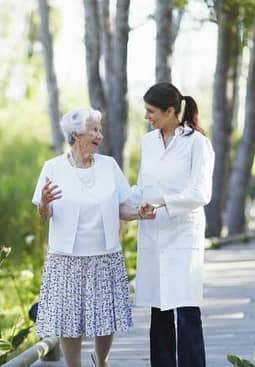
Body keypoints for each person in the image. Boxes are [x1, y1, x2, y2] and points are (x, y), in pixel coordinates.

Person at [32, 107, 152, 367]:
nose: (100, 135)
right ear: (76, 134)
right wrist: (44, 201)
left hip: (105, 253)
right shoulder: (52, 167)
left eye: (100, 129)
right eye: (94, 130)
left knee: (105, 316)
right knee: (69, 318)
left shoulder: (108, 166)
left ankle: (102, 361)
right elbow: (45, 213)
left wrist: (140, 213)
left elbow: (122, 207)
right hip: (67, 256)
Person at [133, 82, 215, 367]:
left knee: (187, 308)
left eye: (151, 111)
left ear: (171, 111)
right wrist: (136, 203)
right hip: (154, 232)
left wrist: (164, 203)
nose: (147, 116)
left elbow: (201, 193)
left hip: (183, 232)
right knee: (159, 308)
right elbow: (144, 185)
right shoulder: (149, 142)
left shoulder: (197, 143)